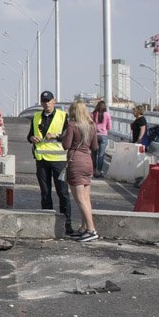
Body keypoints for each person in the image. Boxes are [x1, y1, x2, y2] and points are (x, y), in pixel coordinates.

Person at [27, 90, 73, 235]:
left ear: (54, 101)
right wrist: (32, 138)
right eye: (44, 101)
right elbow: (29, 135)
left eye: (48, 101)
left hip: (59, 161)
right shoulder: (36, 117)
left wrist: (57, 136)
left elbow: (69, 136)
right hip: (41, 160)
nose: (46, 104)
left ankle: (67, 225)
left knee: (63, 193)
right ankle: (47, 225)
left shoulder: (63, 116)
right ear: (41, 103)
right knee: (45, 193)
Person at [63, 100, 99, 242]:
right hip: (88, 161)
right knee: (86, 198)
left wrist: (62, 137)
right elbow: (95, 147)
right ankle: (84, 227)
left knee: (80, 199)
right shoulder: (92, 125)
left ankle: (91, 229)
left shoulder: (72, 125)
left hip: (76, 162)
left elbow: (66, 145)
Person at [92, 100, 112, 177]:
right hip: (103, 136)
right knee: (101, 155)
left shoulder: (93, 114)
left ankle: (93, 170)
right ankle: (99, 172)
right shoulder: (107, 115)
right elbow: (109, 127)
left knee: (94, 154)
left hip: (94, 136)